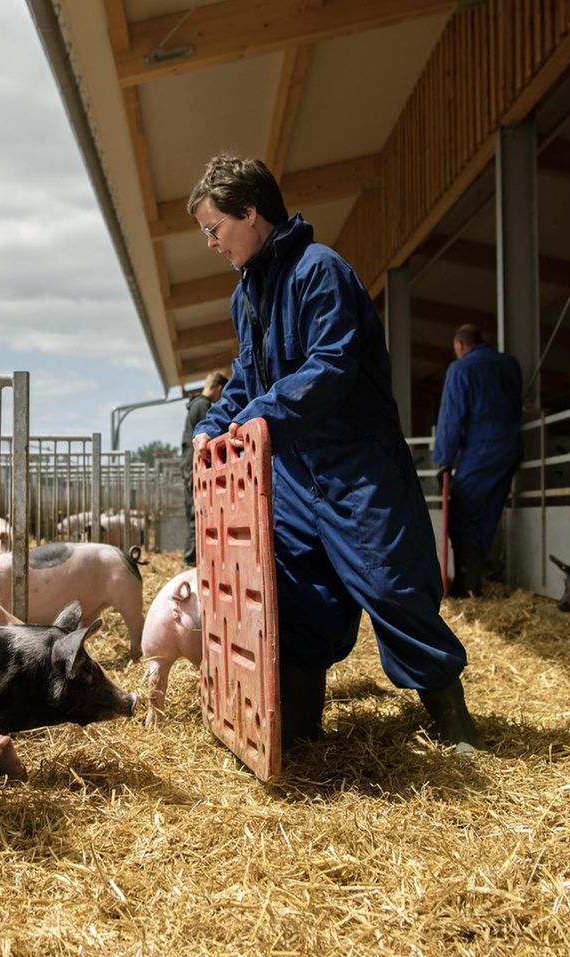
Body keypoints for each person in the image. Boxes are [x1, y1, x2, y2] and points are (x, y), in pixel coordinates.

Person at [187, 154, 485, 752]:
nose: (212, 243)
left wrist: (251, 417)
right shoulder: (246, 295)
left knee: (391, 585)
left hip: (357, 467)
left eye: (214, 228)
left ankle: (456, 728)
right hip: (295, 473)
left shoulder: (320, 271)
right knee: (296, 591)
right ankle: (299, 730)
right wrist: (214, 425)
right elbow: (247, 376)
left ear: (250, 212)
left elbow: (331, 365)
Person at [433, 324, 522, 597]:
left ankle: (467, 584)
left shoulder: (460, 369)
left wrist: (444, 460)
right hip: (511, 449)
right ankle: (475, 580)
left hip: (481, 449)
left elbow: (451, 418)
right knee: (489, 512)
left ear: (460, 346)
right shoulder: (509, 364)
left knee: (462, 510)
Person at [181, 370, 229, 565]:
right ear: (219, 389)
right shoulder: (203, 406)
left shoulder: (196, 404)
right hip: (194, 465)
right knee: (197, 511)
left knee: (195, 510)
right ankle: (191, 560)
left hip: (188, 463)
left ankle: (191, 558)